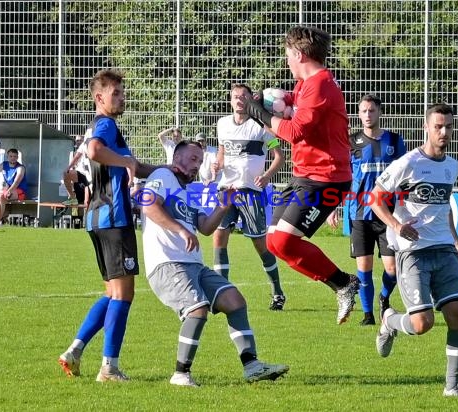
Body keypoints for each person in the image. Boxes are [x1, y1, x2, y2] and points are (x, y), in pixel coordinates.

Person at [141, 140, 289, 386]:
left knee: (235, 301)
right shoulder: (163, 175)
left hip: (194, 266)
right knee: (197, 309)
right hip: (168, 264)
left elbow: (206, 228)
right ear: (176, 158)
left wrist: (223, 206)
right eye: (192, 159)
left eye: (199, 161)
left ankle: (252, 366)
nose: (196, 166)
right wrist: (181, 231)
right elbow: (148, 206)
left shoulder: (190, 193)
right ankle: (180, 374)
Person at [243, 26, 359, 324]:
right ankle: (342, 284)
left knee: (283, 242)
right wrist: (268, 105)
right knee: (272, 241)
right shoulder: (306, 85)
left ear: (298, 54)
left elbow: (294, 133)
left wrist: (261, 112)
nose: (287, 62)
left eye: (287, 56)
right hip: (304, 175)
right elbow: (290, 112)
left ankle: (344, 283)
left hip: (326, 177)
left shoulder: (320, 85)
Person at [58, 69, 159, 382]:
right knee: (124, 294)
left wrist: (168, 170)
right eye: (115, 93)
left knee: (113, 292)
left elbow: (132, 164)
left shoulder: (103, 129)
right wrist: (128, 163)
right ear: (99, 98)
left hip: (97, 218)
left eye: (122, 92)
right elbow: (95, 151)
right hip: (114, 218)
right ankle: (109, 368)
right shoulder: (105, 125)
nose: (122, 97)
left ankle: (74, 350)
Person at [370, 103, 458, 397]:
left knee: (457, 315)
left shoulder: (452, 166)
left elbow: (444, 207)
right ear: (426, 127)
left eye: (448, 126)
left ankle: (452, 387)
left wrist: (456, 241)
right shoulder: (408, 162)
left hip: (444, 250)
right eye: (438, 126)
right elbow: (375, 198)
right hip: (413, 253)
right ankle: (389, 320)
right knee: (423, 323)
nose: (444, 132)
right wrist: (397, 226)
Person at [327, 95, 407, 326]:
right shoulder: (351, 142)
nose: (368, 115)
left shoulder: (394, 140)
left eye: (371, 110)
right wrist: (333, 207)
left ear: (379, 112)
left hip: (388, 214)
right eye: (363, 111)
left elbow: (403, 177)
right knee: (364, 266)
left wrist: (405, 205)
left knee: (392, 268)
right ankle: (368, 314)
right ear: (359, 114)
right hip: (359, 214)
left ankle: (384, 298)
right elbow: (342, 177)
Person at [211, 83, 287, 310]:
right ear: (230, 100)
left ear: (250, 99)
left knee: (259, 244)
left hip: (251, 192)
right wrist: (217, 165)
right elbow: (222, 153)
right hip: (227, 189)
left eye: (243, 96)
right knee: (219, 237)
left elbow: (279, 157)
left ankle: (277, 292)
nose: (239, 100)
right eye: (235, 97)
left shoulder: (261, 128)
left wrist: (266, 176)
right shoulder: (222, 124)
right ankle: (220, 291)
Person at [62, 135, 91, 207]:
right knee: (66, 174)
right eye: (77, 140)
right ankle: (73, 198)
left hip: (89, 176)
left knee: (86, 202)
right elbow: (76, 158)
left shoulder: (88, 146)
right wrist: (68, 168)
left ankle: (88, 217)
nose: (78, 142)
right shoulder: (74, 152)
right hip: (80, 175)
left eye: (79, 140)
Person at [0, 148, 28, 219]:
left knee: (1, 197)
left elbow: (16, 182)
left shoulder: (20, 167)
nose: (13, 158)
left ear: (17, 157)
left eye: (15, 156)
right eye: (11, 156)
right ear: (7, 157)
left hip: (19, 191)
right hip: (7, 189)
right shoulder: (3, 164)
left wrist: (9, 191)